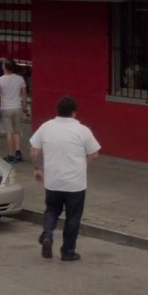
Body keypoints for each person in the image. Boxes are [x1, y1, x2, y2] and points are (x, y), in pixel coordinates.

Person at [29, 96, 101, 261]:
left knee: (51, 210)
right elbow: (94, 154)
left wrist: (37, 169)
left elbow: (34, 150)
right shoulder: (82, 130)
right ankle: (68, 251)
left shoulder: (46, 127)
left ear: (57, 111)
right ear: (74, 113)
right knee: (73, 217)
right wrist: (83, 163)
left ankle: (47, 235)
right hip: (75, 183)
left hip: (53, 181)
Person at [0, 59, 27, 163]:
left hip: (5, 108)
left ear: (5, 67)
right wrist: (24, 108)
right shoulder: (20, 79)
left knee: (9, 133)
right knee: (17, 131)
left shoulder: (0, 80)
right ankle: (18, 151)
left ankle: (10, 154)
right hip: (17, 107)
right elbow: (24, 95)